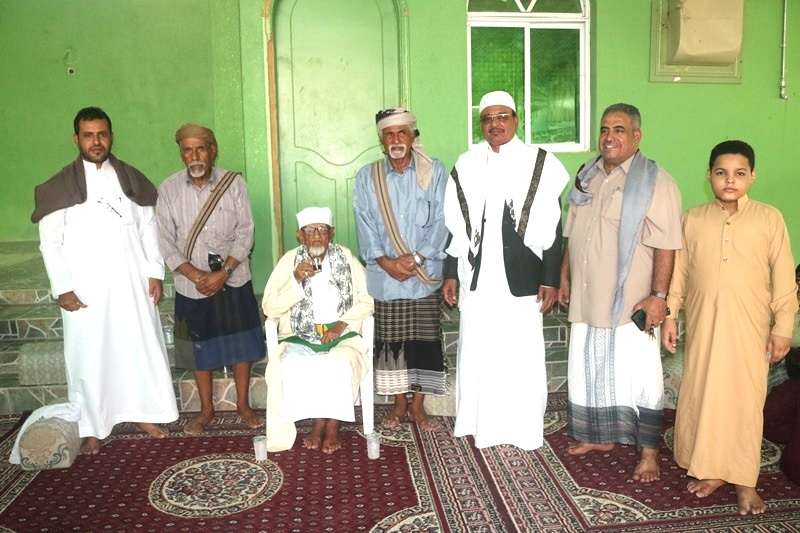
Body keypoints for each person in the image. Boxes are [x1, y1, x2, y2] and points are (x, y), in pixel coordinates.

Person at [32, 106, 178, 455]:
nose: (96, 141)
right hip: (86, 290)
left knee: (137, 348)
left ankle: (144, 413)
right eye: (88, 135)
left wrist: (154, 272)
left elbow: (148, 228)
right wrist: (62, 287)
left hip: (131, 284)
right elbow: (50, 242)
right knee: (88, 356)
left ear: (111, 136)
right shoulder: (58, 187)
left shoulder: (131, 180)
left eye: (102, 134)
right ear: (76, 139)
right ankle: (91, 427)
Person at [662, 140, 797, 514]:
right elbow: (680, 274)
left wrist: (783, 326)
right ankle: (711, 469)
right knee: (705, 395)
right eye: (721, 173)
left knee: (744, 401)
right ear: (709, 176)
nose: (730, 180)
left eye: (739, 173)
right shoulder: (693, 219)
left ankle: (744, 482)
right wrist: (671, 314)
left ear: (753, 176)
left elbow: (784, 276)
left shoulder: (769, 219)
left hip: (748, 327)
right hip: (703, 323)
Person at [559, 103, 682, 482]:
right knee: (590, 367)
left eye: (619, 129)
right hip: (587, 296)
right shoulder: (588, 176)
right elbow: (572, 233)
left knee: (641, 374)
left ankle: (649, 452)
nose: (609, 137)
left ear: (636, 136)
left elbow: (667, 244)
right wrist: (564, 276)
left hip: (631, 301)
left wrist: (658, 296)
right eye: (604, 129)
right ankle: (599, 436)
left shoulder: (655, 181)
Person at [442, 90, 569, 450]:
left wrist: (550, 279)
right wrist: (450, 272)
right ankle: (479, 423)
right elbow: (456, 227)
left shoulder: (540, 163)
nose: (494, 124)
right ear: (480, 124)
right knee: (479, 351)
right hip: (477, 278)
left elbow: (554, 226)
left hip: (523, 277)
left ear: (516, 120)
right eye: (487, 118)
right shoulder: (467, 164)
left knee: (520, 356)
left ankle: (520, 428)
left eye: (502, 117)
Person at [156, 124, 265, 435]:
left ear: (212, 150)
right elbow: (164, 241)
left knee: (241, 346)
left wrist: (223, 272)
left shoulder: (234, 184)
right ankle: (206, 410)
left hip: (233, 278)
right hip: (191, 285)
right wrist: (196, 275)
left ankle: (243, 406)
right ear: (181, 154)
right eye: (187, 150)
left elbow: (246, 232)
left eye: (200, 149)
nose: (194, 156)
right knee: (199, 349)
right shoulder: (168, 189)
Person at [353, 107, 449, 431]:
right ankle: (397, 405)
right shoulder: (367, 177)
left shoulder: (435, 171)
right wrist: (386, 262)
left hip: (424, 274)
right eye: (389, 135)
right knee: (392, 344)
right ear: (382, 141)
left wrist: (418, 258)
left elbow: (443, 219)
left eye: (402, 133)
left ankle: (418, 408)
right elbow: (364, 223)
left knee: (425, 342)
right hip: (387, 277)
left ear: (412, 136)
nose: (396, 140)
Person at [262, 207, 374, 453]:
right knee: (287, 365)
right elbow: (269, 307)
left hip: (342, 334)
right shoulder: (289, 261)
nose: (316, 236)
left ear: (331, 234)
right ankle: (315, 423)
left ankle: (331, 426)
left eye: (322, 230)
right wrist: (295, 280)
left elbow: (368, 299)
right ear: (300, 235)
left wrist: (341, 325)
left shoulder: (346, 257)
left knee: (339, 363)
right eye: (310, 230)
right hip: (299, 336)